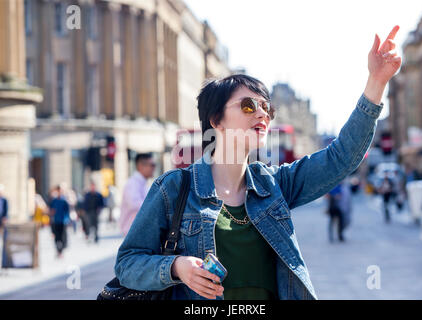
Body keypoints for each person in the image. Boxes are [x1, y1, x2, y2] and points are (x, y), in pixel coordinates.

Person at [114, 26, 401, 300]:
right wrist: (176, 267)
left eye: (267, 107)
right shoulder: (173, 189)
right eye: (248, 106)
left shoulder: (275, 184)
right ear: (216, 121)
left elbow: (341, 157)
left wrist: (376, 82)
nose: (262, 114)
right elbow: (127, 264)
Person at [118, 153, 155, 236]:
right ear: (140, 166)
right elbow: (134, 205)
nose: (154, 168)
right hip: (133, 233)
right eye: (152, 165)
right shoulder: (133, 183)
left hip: (138, 232)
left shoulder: (143, 183)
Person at [49, 185, 71, 258]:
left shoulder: (64, 201)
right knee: (56, 237)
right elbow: (51, 210)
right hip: (56, 221)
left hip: (63, 221)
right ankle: (58, 251)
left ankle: (61, 250)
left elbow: (67, 211)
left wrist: (67, 220)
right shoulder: (54, 201)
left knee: (62, 237)